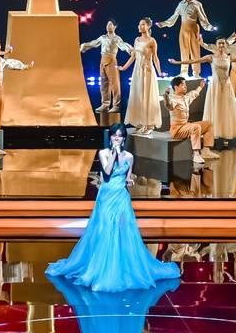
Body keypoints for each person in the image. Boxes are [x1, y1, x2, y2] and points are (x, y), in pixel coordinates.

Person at [46, 123, 180, 291]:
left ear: (124, 139)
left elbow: (128, 177)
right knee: (105, 228)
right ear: (110, 137)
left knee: (123, 230)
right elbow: (107, 172)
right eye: (114, 135)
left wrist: (130, 181)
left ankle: (121, 267)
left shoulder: (129, 157)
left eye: (119, 136)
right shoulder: (103, 153)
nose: (117, 138)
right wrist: (114, 154)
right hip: (106, 196)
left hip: (121, 197)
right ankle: (100, 268)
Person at [171, 38, 236, 141]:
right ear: (216, 45)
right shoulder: (211, 57)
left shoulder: (229, 58)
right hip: (215, 86)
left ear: (226, 45)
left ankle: (225, 134)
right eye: (219, 43)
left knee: (226, 109)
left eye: (223, 43)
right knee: (215, 108)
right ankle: (213, 133)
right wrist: (178, 62)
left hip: (226, 86)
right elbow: (194, 61)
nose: (221, 45)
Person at [156, 0, 217, 77]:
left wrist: (209, 27)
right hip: (183, 29)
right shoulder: (181, 4)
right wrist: (163, 24)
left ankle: (196, 73)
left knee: (195, 51)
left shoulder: (197, 4)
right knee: (184, 50)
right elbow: (174, 17)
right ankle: (184, 72)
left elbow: (203, 18)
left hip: (194, 29)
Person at [120, 18, 164, 136]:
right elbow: (133, 56)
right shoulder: (137, 39)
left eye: (143, 24)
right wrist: (124, 68)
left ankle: (149, 124)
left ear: (148, 26)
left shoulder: (152, 41)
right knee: (138, 96)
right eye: (139, 24)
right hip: (137, 72)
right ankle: (140, 122)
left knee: (147, 97)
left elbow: (155, 58)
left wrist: (159, 72)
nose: (140, 26)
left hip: (147, 71)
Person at [162, 77, 219, 165]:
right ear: (176, 87)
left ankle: (206, 151)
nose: (185, 86)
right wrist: (166, 96)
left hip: (186, 126)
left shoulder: (186, 97)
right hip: (177, 130)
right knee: (196, 127)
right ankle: (196, 153)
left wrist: (201, 86)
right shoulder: (173, 99)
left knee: (209, 124)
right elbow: (169, 106)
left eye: (185, 85)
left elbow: (194, 93)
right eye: (182, 85)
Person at [80, 19, 132, 112]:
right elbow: (93, 43)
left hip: (112, 60)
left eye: (110, 24)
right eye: (107, 24)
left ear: (115, 27)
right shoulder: (103, 37)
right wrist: (83, 46)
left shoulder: (116, 38)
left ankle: (116, 105)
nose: (108, 26)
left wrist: (130, 50)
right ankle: (105, 104)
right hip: (103, 60)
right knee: (104, 84)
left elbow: (123, 45)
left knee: (114, 84)